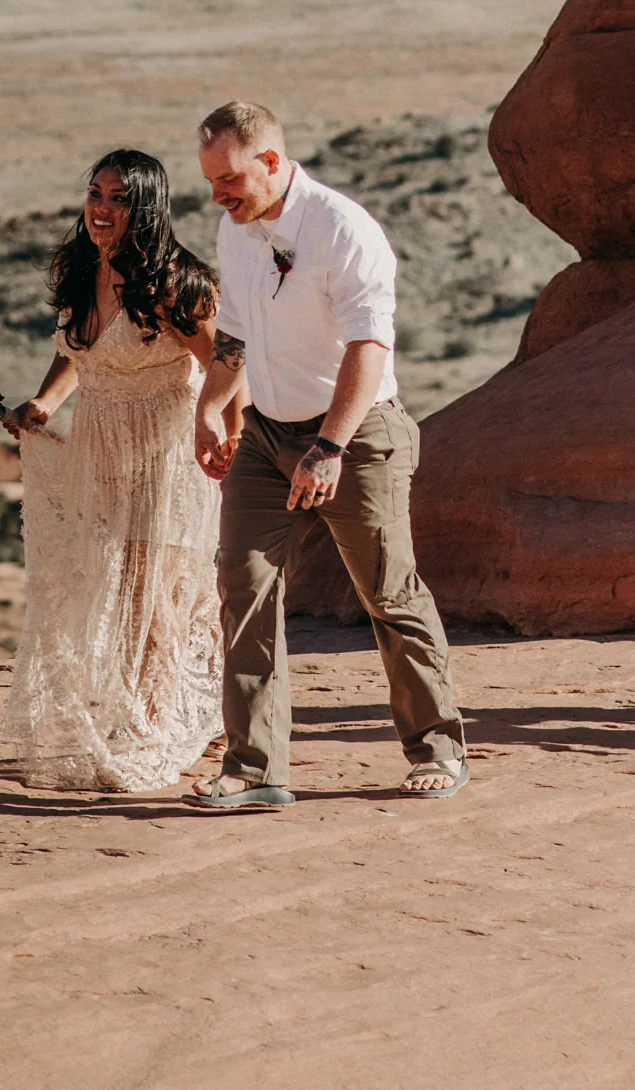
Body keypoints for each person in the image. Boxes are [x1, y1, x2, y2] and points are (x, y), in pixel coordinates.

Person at [186, 99, 467, 811]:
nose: (217, 193)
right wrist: (211, 406)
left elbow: (369, 347)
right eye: (211, 180)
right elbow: (236, 339)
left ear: (273, 163)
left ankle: (437, 748)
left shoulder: (343, 229)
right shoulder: (236, 229)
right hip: (267, 436)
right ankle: (254, 770)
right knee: (243, 588)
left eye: (229, 178)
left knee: (387, 592)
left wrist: (330, 447)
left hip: (357, 434)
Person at [0, 149, 239, 793]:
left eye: (119, 198)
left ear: (148, 206)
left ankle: (156, 722)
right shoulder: (83, 268)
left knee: (151, 586)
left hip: (165, 447)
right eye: (96, 193)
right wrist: (45, 402)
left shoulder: (173, 281)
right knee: (114, 578)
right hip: (102, 446)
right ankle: (194, 707)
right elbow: (80, 349)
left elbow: (227, 358)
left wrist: (222, 424)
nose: (102, 209)